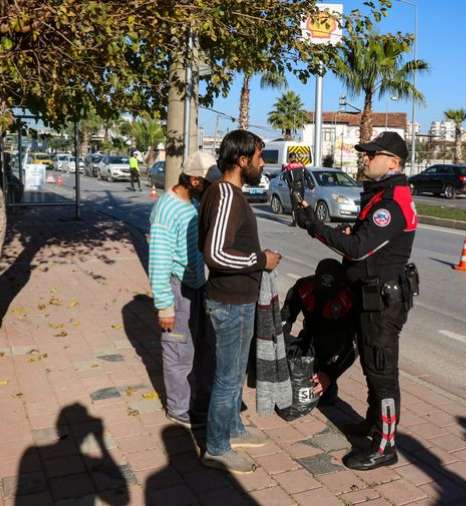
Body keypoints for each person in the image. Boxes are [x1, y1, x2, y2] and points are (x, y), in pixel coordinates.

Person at [296, 131, 418, 471]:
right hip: (371, 295)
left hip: (384, 301)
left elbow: (358, 248)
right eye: (365, 153)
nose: (365, 158)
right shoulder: (381, 196)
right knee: (370, 363)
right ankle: (372, 422)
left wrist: (315, 226)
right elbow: (362, 240)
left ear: (393, 161)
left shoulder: (392, 204)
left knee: (382, 371)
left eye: (371, 154)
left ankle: (385, 445)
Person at [198, 129, 282, 474]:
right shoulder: (227, 195)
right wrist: (261, 260)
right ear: (242, 160)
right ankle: (216, 447)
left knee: (231, 373)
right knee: (228, 378)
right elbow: (215, 253)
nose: (263, 164)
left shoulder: (228, 193)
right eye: (260, 157)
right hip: (230, 302)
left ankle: (232, 428)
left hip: (239, 300)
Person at [148, 151, 216, 429]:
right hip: (178, 289)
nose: (211, 187)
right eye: (207, 182)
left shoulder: (195, 204)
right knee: (178, 352)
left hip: (198, 287)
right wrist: (165, 306)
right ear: (193, 180)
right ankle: (178, 410)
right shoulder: (166, 209)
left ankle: (198, 404)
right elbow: (159, 261)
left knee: (201, 349)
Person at [280, 258, 357, 406]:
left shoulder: (348, 300)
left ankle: (326, 382)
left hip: (333, 348)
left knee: (324, 396)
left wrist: (330, 375)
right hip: (308, 339)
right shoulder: (303, 288)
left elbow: (354, 345)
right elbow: (284, 321)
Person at [282, 152, 306, 226]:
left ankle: (294, 222)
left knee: (294, 206)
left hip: (294, 188)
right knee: (301, 204)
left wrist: (290, 186)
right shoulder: (301, 166)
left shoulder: (289, 167)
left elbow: (285, 178)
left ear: (290, 158)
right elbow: (307, 175)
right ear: (295, 158)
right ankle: (302, 221)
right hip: (301, 187)